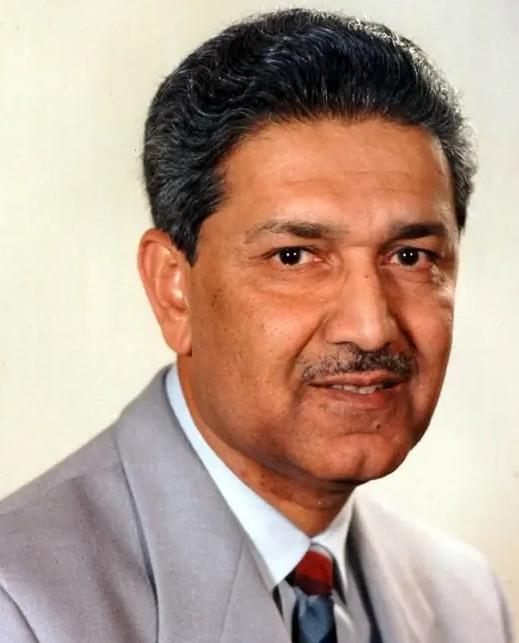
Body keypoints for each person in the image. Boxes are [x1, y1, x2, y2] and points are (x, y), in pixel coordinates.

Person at [0, 8, 513, 643]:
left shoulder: (466, 600)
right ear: (173, 288)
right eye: (294, 257)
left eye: (410, 257)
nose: (371, 327)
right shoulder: (19, 605)